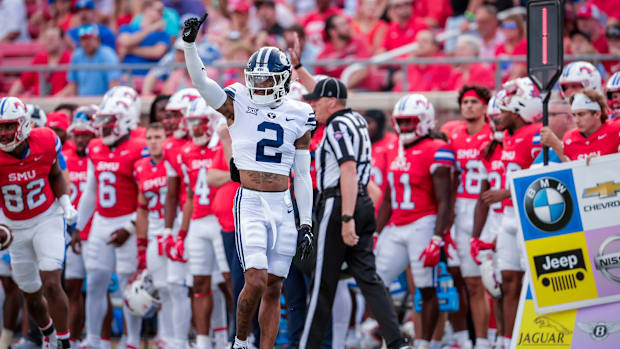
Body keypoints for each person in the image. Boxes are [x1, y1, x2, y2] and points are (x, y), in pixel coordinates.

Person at [183, 13, 316, 348]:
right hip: (251, 202)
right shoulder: (238, 102)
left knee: (274, 287)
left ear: (283, 80)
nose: (259, 86)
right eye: (255, 79)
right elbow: (203, 84)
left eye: (266, 80)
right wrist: (189, 46)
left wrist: (307, 222)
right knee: (254, 280)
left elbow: (302, 173)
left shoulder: (299, 113)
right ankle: (240, 343)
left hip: (283, 204)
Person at [301, 78, 410, 349]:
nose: (312, 105)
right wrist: (301, 70)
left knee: (321, 286)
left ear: (331, 102)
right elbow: (329, 94)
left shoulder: (336, 126)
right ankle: (398, 343)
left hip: (340, 204)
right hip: (361, 200)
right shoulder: (357, 121)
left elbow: (347, 169)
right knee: (369, 280)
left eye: (317, 100)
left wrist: (347, 218)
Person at [374, 93, 453, 349]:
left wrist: (438, 237)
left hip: (423, 223)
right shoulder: (395, 147)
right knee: (373, 281)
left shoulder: (437, 149)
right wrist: (376, 232)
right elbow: (387, 197)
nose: (405, 127)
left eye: (410, 122)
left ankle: (424, 343)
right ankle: (394, 338)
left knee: (426, 287)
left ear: (425, 120)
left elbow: (445, 200)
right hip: (397, 225)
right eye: (402, 122)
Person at [0, 97, 75, 349]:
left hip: (46, 218)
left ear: (23, 124)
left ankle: (64, 342)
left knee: (52, 283)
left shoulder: (45, 139)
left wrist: (65, 203)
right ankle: (48, 335)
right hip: (15, 225)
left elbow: (55, 174)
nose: (4, 132)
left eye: (8, 126)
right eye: (0, 127)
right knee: (30, 296)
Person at [74, 95, 146, 349]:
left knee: (128, 285)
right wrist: (77, 226)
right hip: (102, 221)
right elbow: (91, 192)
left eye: (109, 121)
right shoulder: (95, 147)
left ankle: (132, 340)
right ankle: (93, 338)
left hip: (128, 219)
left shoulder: (140, 147)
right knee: (94, 281)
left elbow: (146, 195)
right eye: (101, 121)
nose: (102, 127)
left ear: (126, 121)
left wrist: (130, 228)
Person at [492, 78, 542, 348]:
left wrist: (505, 193)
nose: (500, 115)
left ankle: (531, 338)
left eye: (504, 110)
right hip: (507, 217)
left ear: (520, 108)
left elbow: (543, 180)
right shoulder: (509, 137)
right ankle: (509, 340)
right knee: (507, 282)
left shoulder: (536, 134)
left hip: (527, 215)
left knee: (531, 280)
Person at [448, 85, 494, 349]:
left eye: (474, 102)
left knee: (489, 280)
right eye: (464, 102)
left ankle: (488, 341)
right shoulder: (454, 136)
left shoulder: (494, 134)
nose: (468, 106)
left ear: (485, 106)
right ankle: (469, 340)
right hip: (461, 211)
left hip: (487, 210)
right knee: (466, 281)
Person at [134, 123, 175, 346]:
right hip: (154, 231)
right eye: (149, 137)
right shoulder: (141, 166)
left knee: (178, 286)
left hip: (176, 228)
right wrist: (141, 244)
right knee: (161, 287)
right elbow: (142, 209)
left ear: (166, 138)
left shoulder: (174, 162)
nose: (153, 141)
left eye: (158, 136)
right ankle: (163, 337)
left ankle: (180, 337)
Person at [64, 105, 98, 348]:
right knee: (72, 288)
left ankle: (98, 338)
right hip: (72, 232)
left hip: (98, 231)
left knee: (99, 289)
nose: (81, 138)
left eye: (86, 134)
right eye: (77, 134)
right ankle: (73, 339)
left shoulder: (100, 156)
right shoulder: (64, 157)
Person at [543, 90, 620, 162]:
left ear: (597, 114)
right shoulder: (569, 138)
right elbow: (570, 169)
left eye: (581, 114)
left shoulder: (616, 130)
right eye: (574, 115)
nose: (576, 120)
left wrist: (602, 163)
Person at [315, 14, 382, 90]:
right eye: (342, 25)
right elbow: (319, 78)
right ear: (332, 32)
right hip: (340, 94)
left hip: (364, 90)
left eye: (346, 23)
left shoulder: (359, 41)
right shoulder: (325, 54)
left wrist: (342, 89)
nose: (347, 27)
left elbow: (364, 70)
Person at [59, 24, 121, 96]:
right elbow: (73, 84)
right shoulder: (77, 55)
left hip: (102, 102)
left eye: (89, 38)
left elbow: (114, 85)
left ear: (98, 39)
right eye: (83, 39)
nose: (86, 42)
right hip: (81, 102)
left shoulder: (108, 55)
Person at [9, 27, 72, 97]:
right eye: (46, 38)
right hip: (39, 102)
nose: (48, 42)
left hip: (62, 104)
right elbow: (22, 82)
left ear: (62, 40)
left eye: (52, 39)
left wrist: (54, 101)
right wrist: (11, 98)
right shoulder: (40, 59)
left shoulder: (70, 59)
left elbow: (73, 86)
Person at [117, 0, 171, 76]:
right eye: (159, 10)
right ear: (147, 9)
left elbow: (157, 52)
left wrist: (130, 50)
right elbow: (125, 42)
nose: (162, 14)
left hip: (150, 81)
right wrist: (151, 28)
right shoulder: (127, 28)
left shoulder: (162, 34)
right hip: (127, 78)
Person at [535, 98, 575, 165]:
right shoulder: (547, 147)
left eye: (550, 114)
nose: (544, 119)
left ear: (568, 118)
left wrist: (556, 144)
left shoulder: (580, 143)